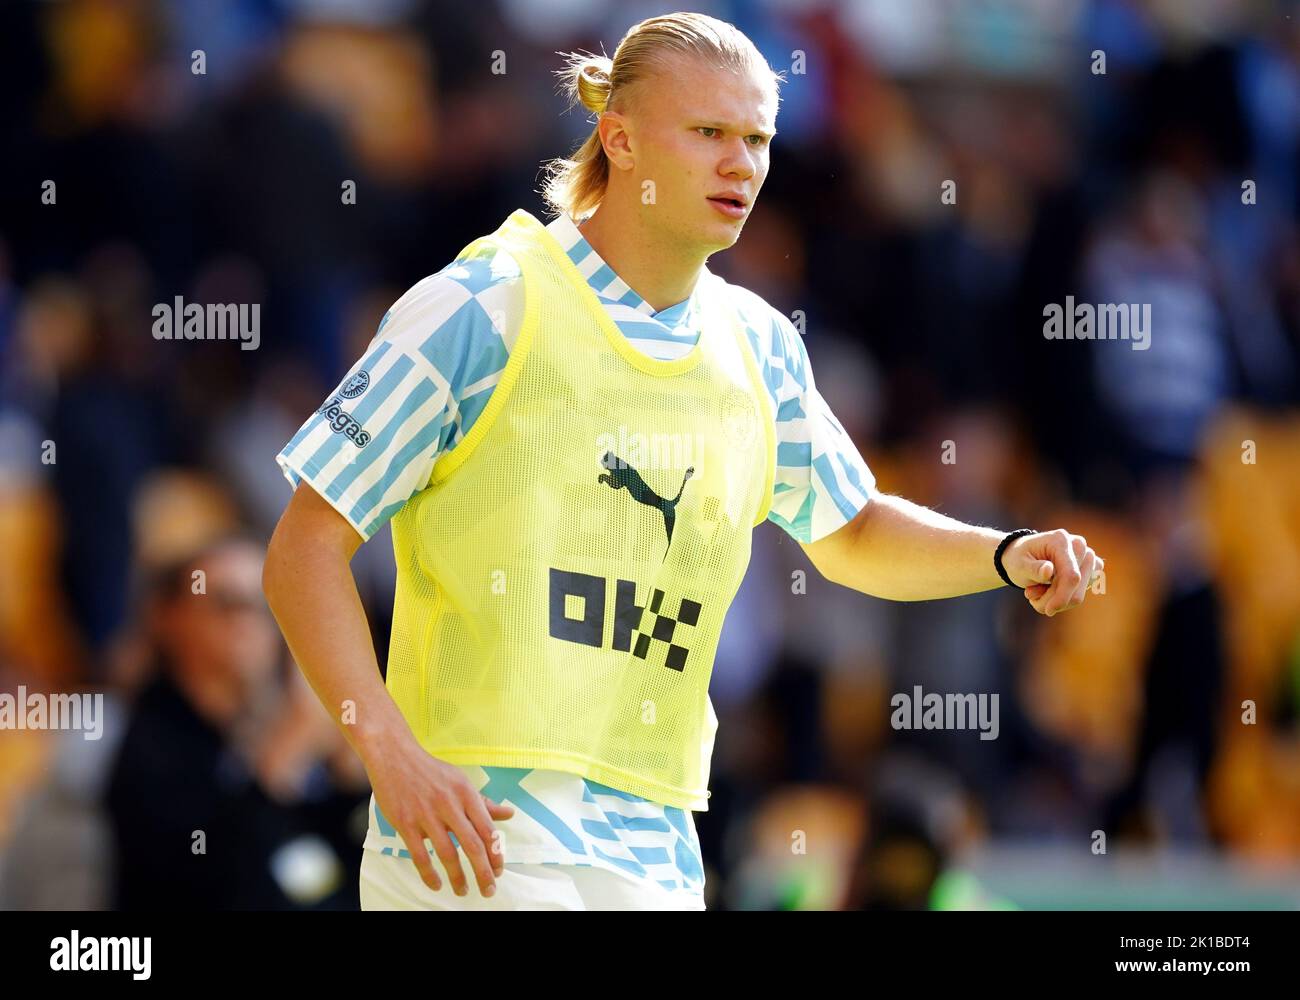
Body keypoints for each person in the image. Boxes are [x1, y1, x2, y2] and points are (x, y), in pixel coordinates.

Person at [263, 11, 1102, 911]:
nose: (741, 164)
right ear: (618, 140)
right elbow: (303, 550)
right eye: (708, 134)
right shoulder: (482, 306)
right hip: (473, 833)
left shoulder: (761, 346)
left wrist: (1003, 553)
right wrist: (388, 757)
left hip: (655, 845)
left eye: (757, 139)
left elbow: (853, 530)